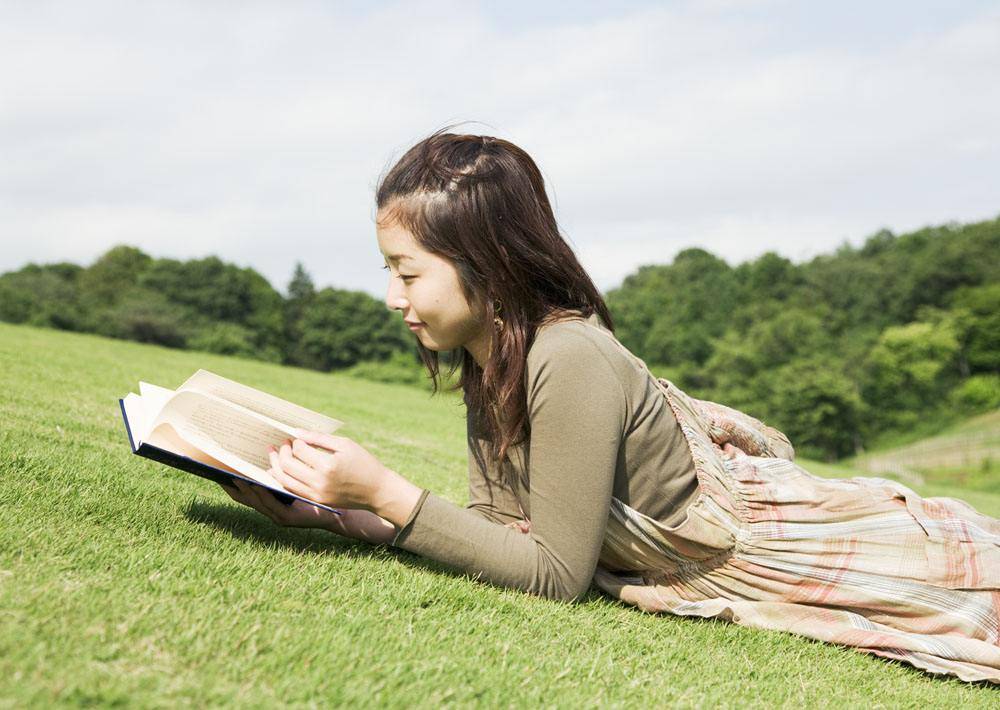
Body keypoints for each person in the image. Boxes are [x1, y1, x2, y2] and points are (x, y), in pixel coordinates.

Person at [220, 128, 1000, 685]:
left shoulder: (568, 355)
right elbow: (501, 534)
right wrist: (344, 517)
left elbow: (554, 573)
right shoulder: (489, 359)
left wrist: (386, 491)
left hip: (788, 547)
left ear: (486, 267)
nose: (392, 298)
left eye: (408, 273)